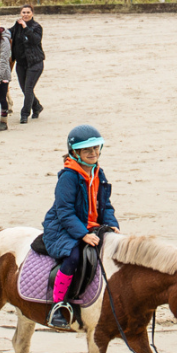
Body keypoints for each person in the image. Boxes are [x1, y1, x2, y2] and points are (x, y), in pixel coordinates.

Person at [41, 125, 119, 328]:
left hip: (92, 225)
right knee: (74, 256)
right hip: (62, 228)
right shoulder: (69, 177)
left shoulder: (98, 172)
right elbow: (64, 211)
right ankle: (58, 305)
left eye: (96, 148)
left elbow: (106, 203)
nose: (93, 153)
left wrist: (111, 223)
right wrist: (83, 234)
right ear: (75, 152)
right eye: (87, 150)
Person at [9, 6, 45, 124]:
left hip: (35, 63)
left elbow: (35, 40)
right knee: (25, 89)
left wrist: (25, 27)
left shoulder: (37, 27)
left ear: (32, 13)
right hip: (21, 63)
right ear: (20, 13)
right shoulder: (17, 25)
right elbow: (9, 32)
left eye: (28, 12)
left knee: (28, 89)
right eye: (23, 12)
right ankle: (37, 106)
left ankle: (24, 114)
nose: (25, 14)